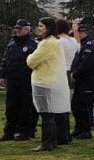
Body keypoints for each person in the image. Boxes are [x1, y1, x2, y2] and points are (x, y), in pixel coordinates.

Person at [26, 18, 70, 151]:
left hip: (43, 81)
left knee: (46, 113)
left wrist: (29, 57)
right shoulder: (55, 43)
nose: (38, 28)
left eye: (41, 26)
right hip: (51, 81)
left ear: (48, 28)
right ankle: (52, 141)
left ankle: (46, 142)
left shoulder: (48, 43)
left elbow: (31, 61)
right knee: (50, 113)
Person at [0, 19, 37, 141]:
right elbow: (5, 60)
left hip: (26, 80)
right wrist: (2, 75)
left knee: (25, 106)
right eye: (16, 28)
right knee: (10, 107)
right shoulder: (12, 43)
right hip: (12, 80)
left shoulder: (32, 44)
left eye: (20, 28)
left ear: (27, 29)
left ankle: (24, 131)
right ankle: (9, 132)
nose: (17, 30)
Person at [70, 23, 94, 139]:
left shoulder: (89, 46)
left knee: (85, 107)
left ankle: (86, 130)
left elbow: (85, 64)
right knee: (76, 105)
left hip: (87, 82)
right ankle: (79, 127)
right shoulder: (82, 45)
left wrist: (75, 74)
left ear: (81, 33)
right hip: (80, 81)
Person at [55, 19, 77, 145]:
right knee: (67, 104)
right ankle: (67, 133)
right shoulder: (73, 40)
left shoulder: (59, 42)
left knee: (59, 104)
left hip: (62, 72)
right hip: (72, 73)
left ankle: (61, 133)